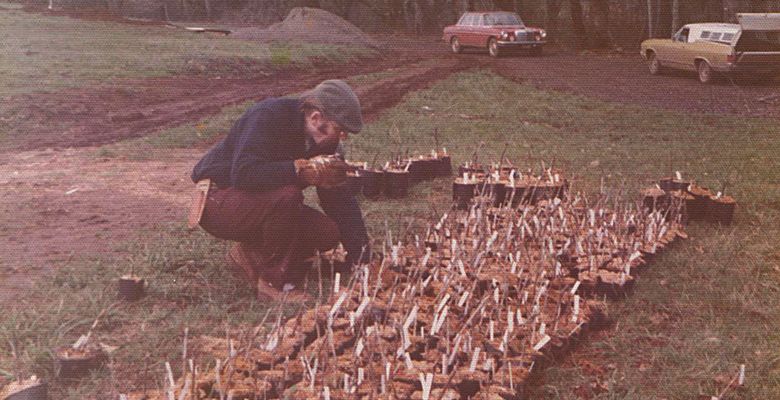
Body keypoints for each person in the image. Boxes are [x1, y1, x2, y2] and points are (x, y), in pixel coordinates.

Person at [188, 79, 370, 300]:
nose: (342, 138)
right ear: (316, 118)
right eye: (340, 130)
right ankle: (271, 283)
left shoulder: (324, 141)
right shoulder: (268, 116)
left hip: (258, 203)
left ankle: (250, 253)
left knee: (327, 233)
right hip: (218, 201)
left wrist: (362, 255)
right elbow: (244, 173)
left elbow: (338, 198)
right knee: (288, 195)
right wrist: (298, 172)